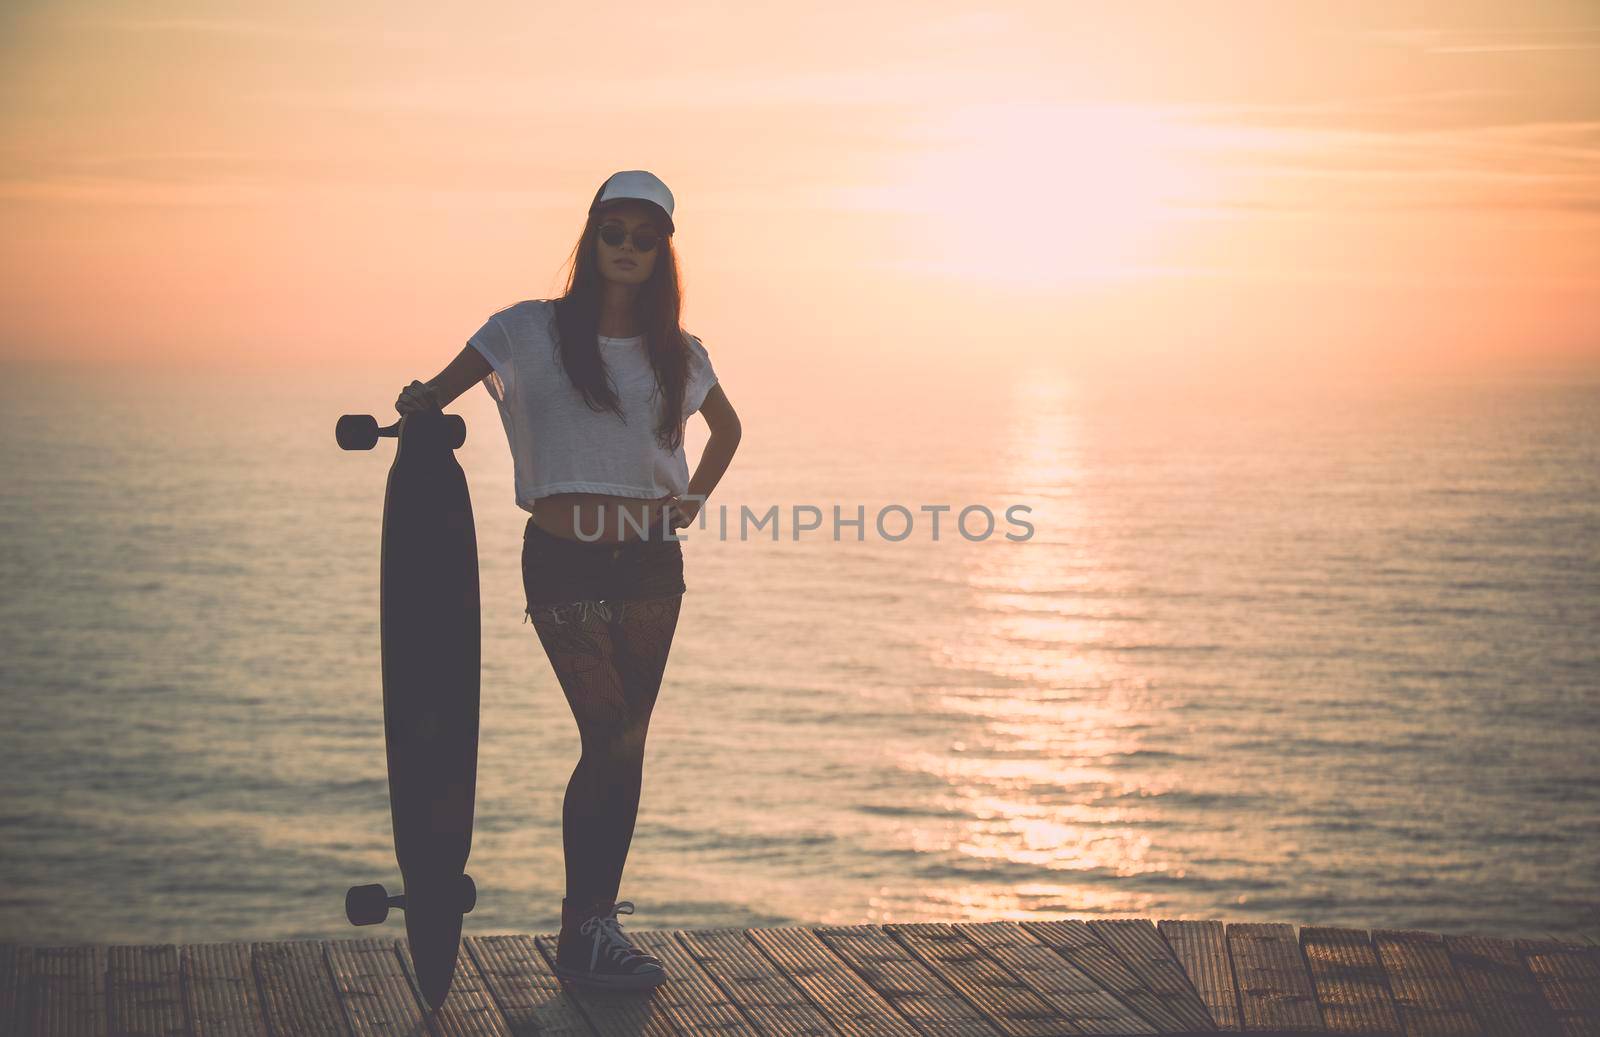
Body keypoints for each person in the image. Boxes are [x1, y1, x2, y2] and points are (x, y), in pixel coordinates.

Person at [394, 170, 743, 991]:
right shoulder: (525, 331)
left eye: (643, 236)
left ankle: (590, 924)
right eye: (612, 232)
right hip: (564, 562)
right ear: (592, 240)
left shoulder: (680, 353)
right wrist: (415, 403)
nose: (626, 247)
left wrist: (692, 501)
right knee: (610, 735)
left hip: (653, 563)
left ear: (663, 251)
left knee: (624, 744)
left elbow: (727, 430)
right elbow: (436, 394)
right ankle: (586, 927)